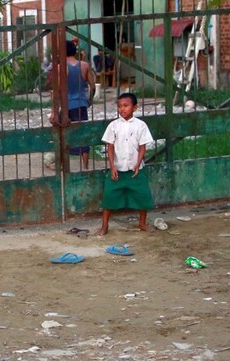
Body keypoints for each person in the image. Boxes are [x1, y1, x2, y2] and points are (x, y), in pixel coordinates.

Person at [96, 93, 155, 236]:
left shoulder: (141, 125)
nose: (122, 109)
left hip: (136, 170)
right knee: (109, 196)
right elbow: (110, 147)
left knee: (143, 195)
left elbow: (142, 147)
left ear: (134, 107)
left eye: (125, 106)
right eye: (119, 106)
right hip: (118, 169)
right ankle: (104, 226)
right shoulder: (113, 126)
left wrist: (138, 162)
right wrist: (112, 166)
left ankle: (142, 222)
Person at [50, 40, 96, 169]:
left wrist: (54, 111)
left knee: (62, 133)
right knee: (83, 134)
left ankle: (62, 164)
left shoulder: (60, 67)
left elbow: (57, 91)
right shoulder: (85, 66)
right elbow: (92, 87)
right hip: (81, 104)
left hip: (67, 106)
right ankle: (85, 166)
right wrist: (89, 100)